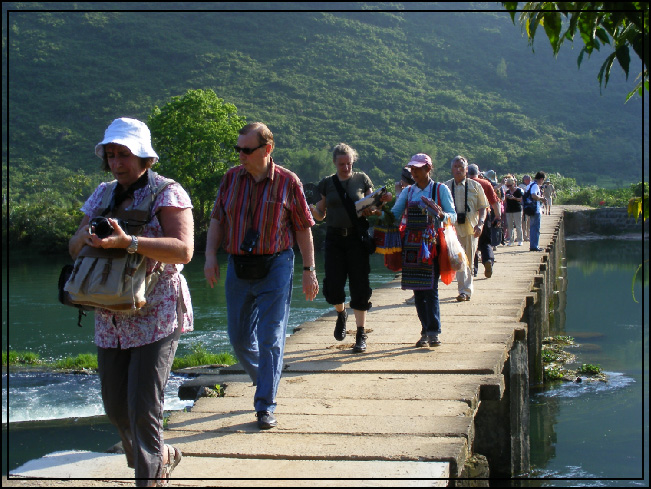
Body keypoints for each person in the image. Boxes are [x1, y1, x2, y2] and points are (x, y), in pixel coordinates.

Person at [68, 118, 194, 486]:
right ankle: (164, 457)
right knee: (116, 409)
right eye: (111, 155)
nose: (117, 162)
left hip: (157, 313)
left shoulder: (167, 192)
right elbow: (73, 246)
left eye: (124, 154)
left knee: (143, 412)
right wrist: (88, 238)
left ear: (144, 157)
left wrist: (130, 243)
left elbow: (184, 250)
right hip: (109, 315)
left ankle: (150, 476)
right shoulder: (103, 193)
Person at [204, 122, 318, 430]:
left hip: (276, 265)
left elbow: (303, 228)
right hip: (239, 266)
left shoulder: (287, 182)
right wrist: (210, 256)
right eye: (238, 149)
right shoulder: (230, 178)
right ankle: (267, 379)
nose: (240, 154)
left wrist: (309, 271)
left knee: (270, 337)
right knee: (240, 338)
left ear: (267, 150)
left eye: (247, 149)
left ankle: (265, 404)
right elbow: (217, 219)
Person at [310, 143, 392, 353]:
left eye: (349, 163)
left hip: (357, 239)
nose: (346, 167)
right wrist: (312, 212)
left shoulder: (362, 179)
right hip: (334, 240)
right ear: (335, 163)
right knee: (334, 286)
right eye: (341, 164)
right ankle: (340, 313)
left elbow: (373, 207)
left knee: (360, 285)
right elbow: (321, 213)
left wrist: (378, 205)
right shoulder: (327, 183)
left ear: (353, 162)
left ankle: (360, 333)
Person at [390, 154, 456, 346]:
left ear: (428, 169)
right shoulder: (408, 192)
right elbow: (395, 213)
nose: (414, 173)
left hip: (431, 246)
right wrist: (379, 213)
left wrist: (441, 215)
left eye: (418, 169)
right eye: (412, 169)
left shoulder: (440, 190)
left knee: (431, 289)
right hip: (411, 247)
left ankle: (433, 331)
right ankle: (425, 330)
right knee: (418, 291)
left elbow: (453, 216)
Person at [444, 156, 489, 302]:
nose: (458, 169)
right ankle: (463, 288)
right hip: (452, 229)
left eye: (461, 167)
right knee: (456, 259)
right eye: (455, 166)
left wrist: (480, 223)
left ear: (466, 169)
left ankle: (465, 291)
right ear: (451, 169)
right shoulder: (446, 187)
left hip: (470, 228)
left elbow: (483, 207)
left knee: (468, 258)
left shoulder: (475, 186)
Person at [467, 164, 500, 279]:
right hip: (485, 215)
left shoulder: (464, 184)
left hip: (469, 216)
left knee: (472, 242)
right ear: (478, 172)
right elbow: (495, 202)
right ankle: (488, 260)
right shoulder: (486, 183)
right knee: (485, 242)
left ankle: (473, 269)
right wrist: (498, 216)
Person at [527, 171, 548, 251]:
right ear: (541, 179)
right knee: (536, 228)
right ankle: (534, 246)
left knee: (532, 227)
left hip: (530, 209)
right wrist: (542, 198)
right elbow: (533, 195)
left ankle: (533, 245)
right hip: (535, 209)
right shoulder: (535, 186)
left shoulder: (530, 184)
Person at [504, 176, 524, 246]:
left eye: (510, 185)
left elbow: (521, 199)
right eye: (507, 186)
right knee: (510, 226)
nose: (509, 187)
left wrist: (514, 198)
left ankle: (520, 240)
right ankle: (511, 240)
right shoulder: (507, 192)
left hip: (517, 209)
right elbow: (504, 201)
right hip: (509, 210)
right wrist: (506, 197)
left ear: (514, 184)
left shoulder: (519, 190)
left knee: (518, 225)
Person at [519, 175, 531, 242]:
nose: (530, 181)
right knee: (524, 221)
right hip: (523, 206)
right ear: (524, 180)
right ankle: (524, 235)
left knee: (529, 221)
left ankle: (528, 235)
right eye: (528, 179)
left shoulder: (531, 185)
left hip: (529, 206)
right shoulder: (521, 186)